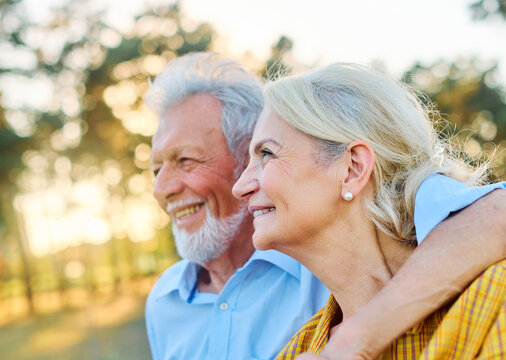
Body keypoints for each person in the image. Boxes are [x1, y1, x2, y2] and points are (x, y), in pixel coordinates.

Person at [145, 53, 505, 360]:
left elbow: (494, 212)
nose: (243, 186)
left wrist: (356, 340)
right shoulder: (300, 346)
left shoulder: (489, 301)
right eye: (156, 169)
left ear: (352, 168)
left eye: (266, 153)